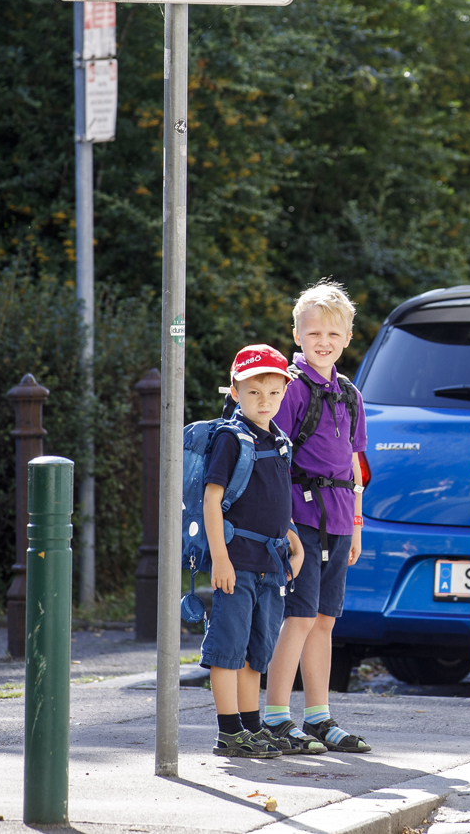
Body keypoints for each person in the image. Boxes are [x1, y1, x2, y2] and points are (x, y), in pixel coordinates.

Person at [261, 280, 373, 754]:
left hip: (341, 520)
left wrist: (358, 525)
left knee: (325, 620)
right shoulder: (290, 390)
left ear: (348, 337)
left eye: (332, 333)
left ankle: (318, 717)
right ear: (297, 335)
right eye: (313, 333)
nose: (323, 342)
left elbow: (354, 465)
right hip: (301, 522)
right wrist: (284, 527)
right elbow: (274, 458)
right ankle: (275, 716)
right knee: (299, 617)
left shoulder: (350, 394)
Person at [202, 344, 304, 759]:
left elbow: (275, 500)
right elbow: (213, 500)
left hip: (271, 564)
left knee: (256, 652)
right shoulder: (231, 438)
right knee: (228, 648)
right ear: (235, 392)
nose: (265, 401)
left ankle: (251, 726)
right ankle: (229, 732)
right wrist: (220, 558)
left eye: (274, 393)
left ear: (285, 392)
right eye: (254, 393)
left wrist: (293, 540)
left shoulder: (279, 439)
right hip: (238, 562)